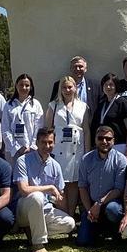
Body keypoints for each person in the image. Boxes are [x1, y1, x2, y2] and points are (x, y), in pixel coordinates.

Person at [14, 128, 76, 252]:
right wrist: (49, 188)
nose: (47, 146)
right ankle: (38, 244)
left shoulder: (55, 166)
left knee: (70, 223)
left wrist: (61, 203)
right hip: (24, 208)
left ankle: (33, 231)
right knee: (37, 196)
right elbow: (24, 190)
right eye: (43, 142)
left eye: (50, 142)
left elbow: (60, 196)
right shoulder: (23, 160)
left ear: (54, 143)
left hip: (46, 210)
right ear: (36, 142)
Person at [44, 76, 90, 216]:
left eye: (70, 87)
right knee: (60, 183)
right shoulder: (54, 105)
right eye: (64, 87)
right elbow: (48, 129)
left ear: (75, 88)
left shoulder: (83, 106)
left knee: (74, 183)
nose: (67, 90)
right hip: (59, 150)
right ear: (60, 89)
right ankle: (62, 214)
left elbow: (86, 129)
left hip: (77, 149)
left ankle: (70, 213)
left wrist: (87, 151)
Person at [76, 126, 127, 246]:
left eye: (108, 138)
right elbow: (82, 187)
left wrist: (99, 203)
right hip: (92, 206)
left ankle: (114, 232)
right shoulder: (86, 159)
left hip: (111, 204)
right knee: (83, 242)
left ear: (113, 141)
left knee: (112, 210)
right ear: (95, 140)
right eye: (100, 138)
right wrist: (90, 210)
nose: (104, 141)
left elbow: (119, 189)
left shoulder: (120, 160)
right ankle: (98, 229)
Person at [1, 73, 45, 164]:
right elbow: (5, 129)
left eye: (27, 85)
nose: (24, 88)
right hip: (13, 151)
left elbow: (39, 127)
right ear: (16, 86)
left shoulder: (36, 105)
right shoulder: (8, 105)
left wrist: (32, 146)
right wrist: (18, 147)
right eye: (21, 85)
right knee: (15, 176)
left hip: (32, 150)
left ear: (31, 87)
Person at [90, 73, 127, 157]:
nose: (108, 87)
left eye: (111, 85)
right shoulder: (101, 103)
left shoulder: (122, 103)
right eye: (105, 85)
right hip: (102, 146)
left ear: (116, 86)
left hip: (118, 146)